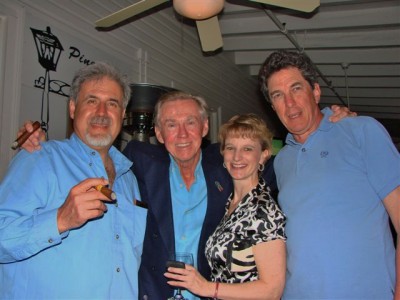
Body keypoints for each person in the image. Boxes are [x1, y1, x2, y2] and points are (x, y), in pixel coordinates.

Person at [19, 91, 353, 300]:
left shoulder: (228, 163)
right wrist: (44, 144)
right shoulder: (138, 160)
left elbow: (281, 158)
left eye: (191, 123)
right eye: (171, 125)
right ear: (159, 133)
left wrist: (333, 126)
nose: (182, 134)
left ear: (205, 128)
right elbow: (94, 154)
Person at [258, 50, 400, 299]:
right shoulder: (282, 161)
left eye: (296, 89)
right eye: (278, 95)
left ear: (315, 91)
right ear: (272, 106)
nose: (289, 103)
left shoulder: (361, 131)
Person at [0, 62, 147, 299]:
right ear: (72, 108)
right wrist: (59, 219)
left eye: (112, 103)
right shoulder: (39, 159)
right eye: (91, 100)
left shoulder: (129, 178)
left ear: (122, 114)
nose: (101, 112)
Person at [164, 113, 286, 299]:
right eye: (231, 148)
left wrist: (206, 288)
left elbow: (272, 290)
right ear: (223, 153)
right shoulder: (231, 203)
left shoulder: (262, 210)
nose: (237, 157)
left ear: (263, 156)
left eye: (247, 149)